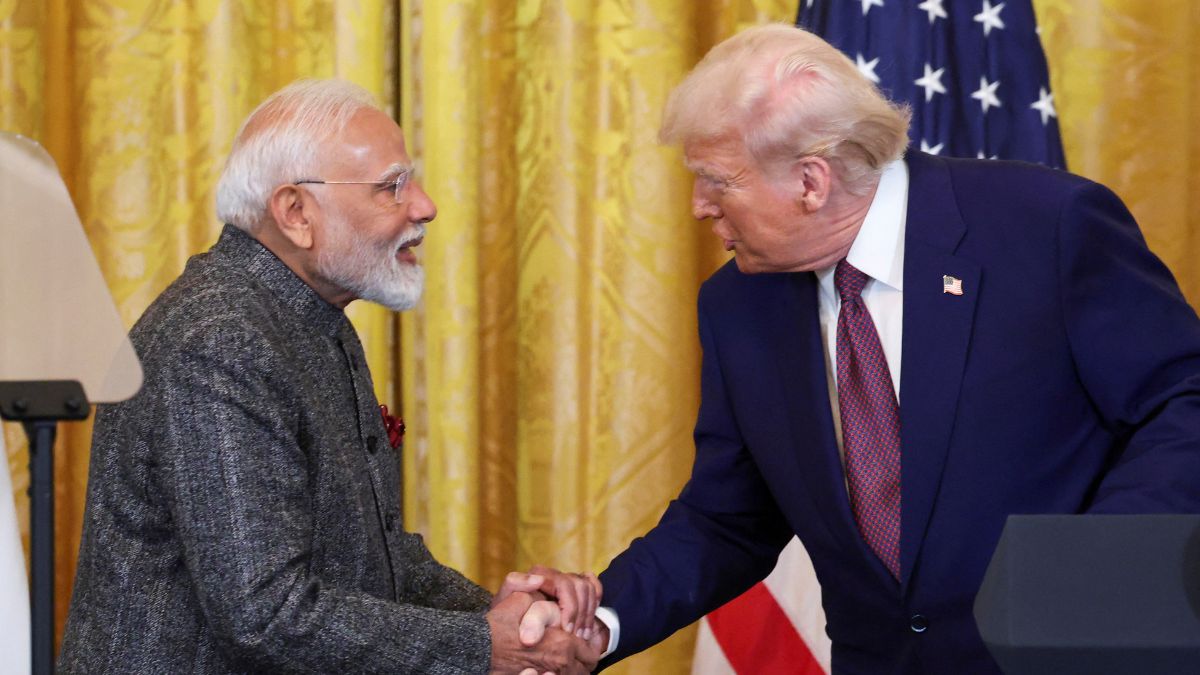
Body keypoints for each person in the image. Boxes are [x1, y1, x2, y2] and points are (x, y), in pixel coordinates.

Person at [536, 23, 1200, 674]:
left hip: (1070, 658)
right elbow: (726, 518)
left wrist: (1096, 564)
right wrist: (600, 621)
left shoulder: (1046, 227)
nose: (699, 206)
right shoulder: (738, 305)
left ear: (810, 181)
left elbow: (1183, 401)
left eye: (718, 180)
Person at [59, 79, 601, 674]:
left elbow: (375, 555)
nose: (425, 206)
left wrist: (507, 617)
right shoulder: (219, 340)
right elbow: (264, 612)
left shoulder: (310, 316)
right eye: (392, 186)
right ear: (296, 213)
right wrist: (483, 646)